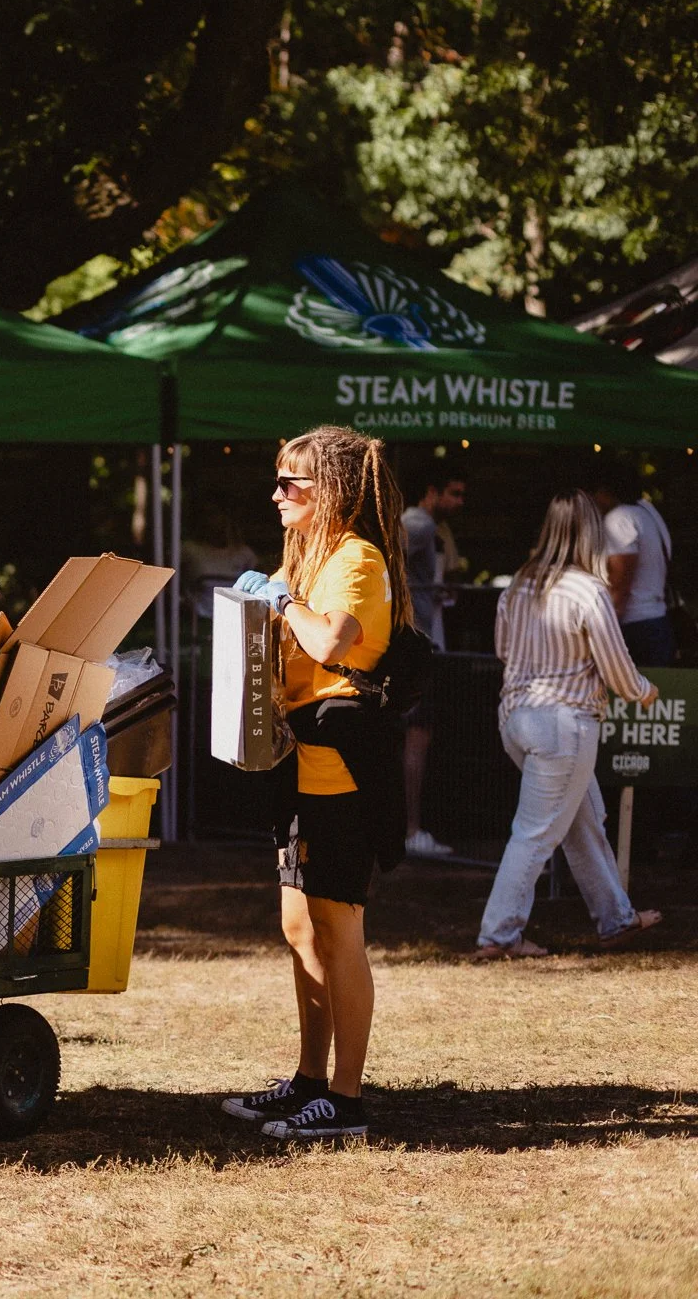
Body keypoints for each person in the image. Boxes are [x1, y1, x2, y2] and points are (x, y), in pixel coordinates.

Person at [220, 424, 409, 1142]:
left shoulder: (356, 557)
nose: (276, 494)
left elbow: (331, 640)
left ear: (330, 490)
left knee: (338, 928)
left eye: (289, 482)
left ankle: (346, 1099)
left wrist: (282, 603)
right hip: (301, 764)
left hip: (343, 770)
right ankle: (308, 1081)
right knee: (300, 926)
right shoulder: (312, 557)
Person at [476, 491, 662, 958]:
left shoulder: (519, 585)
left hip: (516, 717)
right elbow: (617, 668)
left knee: (584, 822)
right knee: (535, 833)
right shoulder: (588, 590)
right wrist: (643, 690)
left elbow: (503, 650)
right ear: (591, 535)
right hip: (564, 723)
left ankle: (616, 919)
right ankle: (499, 935)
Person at [398, 460, 467, 859]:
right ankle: (410, 830)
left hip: (420, 641)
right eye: (453, 493)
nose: (459, 502)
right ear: (431, 491)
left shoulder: (430, 528)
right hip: (416, 645)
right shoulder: (419, 524)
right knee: (416, 737)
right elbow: (386, 562)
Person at [584, 460, 676, 665]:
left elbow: (619, 585)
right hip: (657, 620)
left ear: (604, 492)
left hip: (634, 627)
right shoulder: (649, 512)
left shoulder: (619, 520)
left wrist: (602, 633)